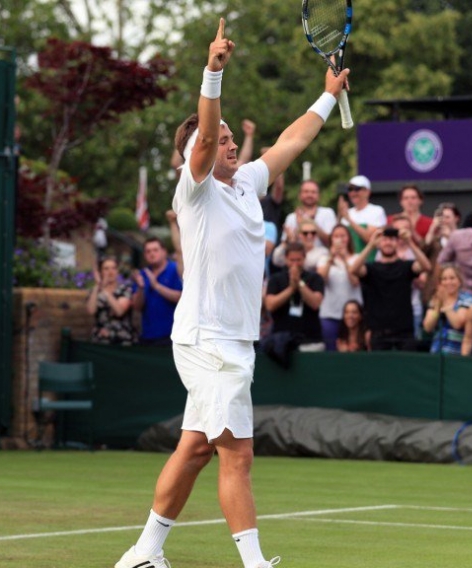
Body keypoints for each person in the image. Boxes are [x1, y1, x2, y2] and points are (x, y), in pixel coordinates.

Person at [114, 19, 349, 568]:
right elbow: (207, 125)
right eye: (217, 140)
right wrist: (213, 71)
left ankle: (143, 552)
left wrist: (326, 93)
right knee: (237, 456)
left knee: (195, 448)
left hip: (232, 342)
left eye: (227, 140)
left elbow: (292, 139)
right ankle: (255, 564)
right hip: (207, 341)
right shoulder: (192, 190)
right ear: (196, 149)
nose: (227, 145)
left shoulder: (247, 183)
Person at [351, 226, 432, 352]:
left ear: (397, 243)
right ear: (379, 243)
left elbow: (426, 266)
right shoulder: (371, 268)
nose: (388, 242)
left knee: (407, 368)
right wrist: (371, 245)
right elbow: (353, 270)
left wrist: (410, 242)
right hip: (379, 331)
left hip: (404, 331)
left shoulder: (406, 266)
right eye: (384, 240)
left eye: (392, 239)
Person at [265, 242, 326, 351]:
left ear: (304, 258)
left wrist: (299, 283)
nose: (295, 264)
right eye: (292, 260)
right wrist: (291, 289)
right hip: (281, 340)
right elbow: (270, 304)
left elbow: (315, 303)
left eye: (298, 260)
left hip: (310, 340)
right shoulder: (276, 279)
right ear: (285, 259)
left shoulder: (315, 278)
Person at [317, 224, 362, 351]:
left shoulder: (356, 258)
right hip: (330, 313)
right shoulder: (324, 259)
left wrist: (344, 259)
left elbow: (355, 282)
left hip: (352, 315)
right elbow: (321, 280)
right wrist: (331, 258)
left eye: (343, 236)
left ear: (349, 238)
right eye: (336, 236)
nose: (340, 240)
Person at [132, 238, 183, 346]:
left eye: (155, 250)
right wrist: (141, 288)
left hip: (174, 336)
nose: (151, 254)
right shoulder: (142, 274)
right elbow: (136, 307)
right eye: (148, 251)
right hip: (147, 336)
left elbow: (182, 298)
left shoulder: (175, 270)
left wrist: (156, 286)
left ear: (164, 252)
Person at [424, 265, 472, 355]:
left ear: (459, 281)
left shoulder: (467, 299)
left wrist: (445, 303)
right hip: (437, 351)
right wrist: (437, 308)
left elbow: (457, 324)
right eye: (444, 279)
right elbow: (428, 327)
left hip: (457, 352)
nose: (448, 282)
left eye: (452, 278)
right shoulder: (436, 300)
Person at [87, 256, 135, 345]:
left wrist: (105, 291)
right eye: (106, 269)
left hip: (121, 337)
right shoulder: (95, 291)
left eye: (113, 268)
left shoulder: (125, 289)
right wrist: (97, 287)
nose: (110, 272)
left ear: (117, 271)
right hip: (100, 337)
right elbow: (91, 311)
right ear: (100, 272)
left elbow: (119, 311)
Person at [338, 174, 387, 261]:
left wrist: (349, 219)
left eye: (357, 189)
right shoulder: (347, 213)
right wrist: (340, 215)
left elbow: (370, 239)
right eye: (350, 189)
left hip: (370, 263)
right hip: (348, 263)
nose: (353, 193)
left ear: (367, 191)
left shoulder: (376, 211)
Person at [282, 179, 338, 248]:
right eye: (306, 191)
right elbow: (285, 246)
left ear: (319, 195)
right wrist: (298, 229)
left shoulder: (328, 213)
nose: (309, 194)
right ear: (299, 195)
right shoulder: (291, 217)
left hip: (322, 256)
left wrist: (309, 223)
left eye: (313, 192)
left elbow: (332, 242)